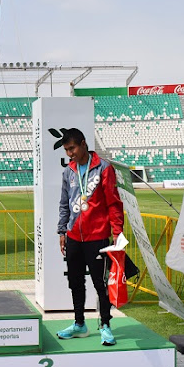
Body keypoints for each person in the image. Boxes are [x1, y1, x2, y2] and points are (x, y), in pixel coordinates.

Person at [56, 128, 124, 346]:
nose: (69, 154)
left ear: (83, 144)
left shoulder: (104, 168)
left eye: (72, 148)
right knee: (75, 282)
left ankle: (105, 325)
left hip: (98, 237)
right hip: (74, 236)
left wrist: (117, 232)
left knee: (100, 284)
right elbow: (64, 203)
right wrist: (62, 231)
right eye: (66, 150)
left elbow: (113, 202)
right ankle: (79, 324)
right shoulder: (69, 172)